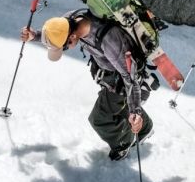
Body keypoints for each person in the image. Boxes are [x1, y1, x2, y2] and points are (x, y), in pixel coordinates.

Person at [21, 10, 154, 161]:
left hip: (123, 82)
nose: (64, 50)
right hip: (110, 74)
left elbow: (131, 78)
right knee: (115, 106)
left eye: (64, 47)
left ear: (72, 37)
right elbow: (56, 31)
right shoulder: (70, 20)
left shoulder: (109, 40)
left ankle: (123, 143)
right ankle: (145, 129)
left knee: (99, 119)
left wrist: (135, 111)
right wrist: (35, 36)